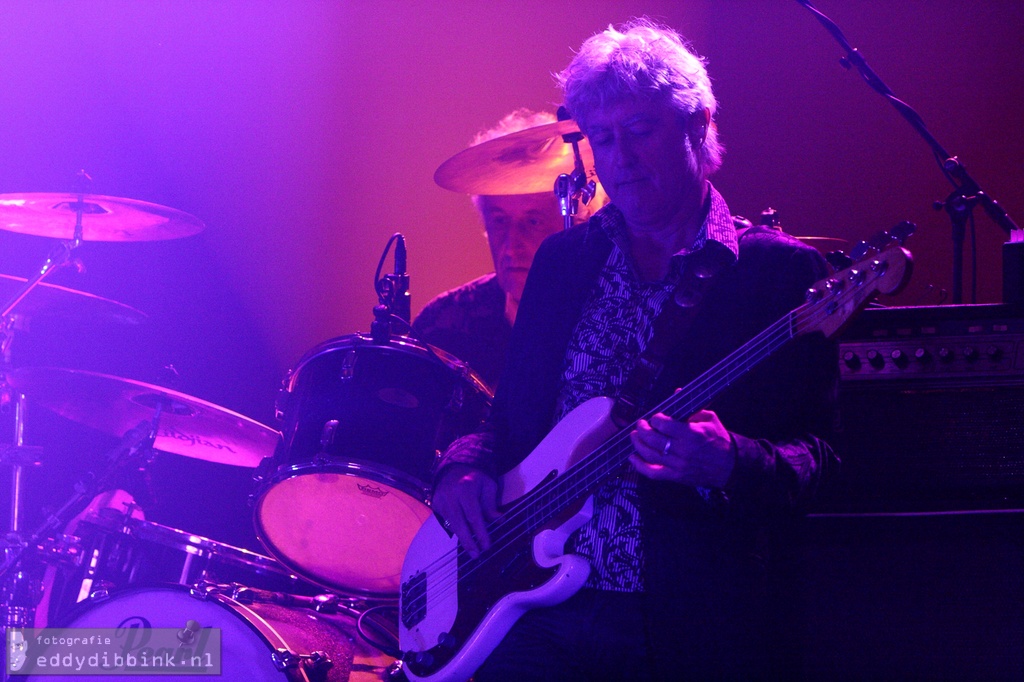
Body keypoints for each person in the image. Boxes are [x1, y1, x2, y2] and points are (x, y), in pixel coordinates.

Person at [429, 19, 839, 681]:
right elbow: (504, 421)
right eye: (603, 138)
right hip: (536, 610)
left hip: (692, 617)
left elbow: (820, 459)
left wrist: (730, 461)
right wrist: (463, 467)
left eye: (640, 130)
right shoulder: (565, 262)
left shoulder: (777, 276)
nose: (619, 158)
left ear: (698, 124)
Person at [412, 109, 604, 389]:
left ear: (577, 223)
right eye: (500, 221)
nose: (512, 247)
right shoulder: (442, 324)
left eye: (533, 221)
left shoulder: (613, 318)